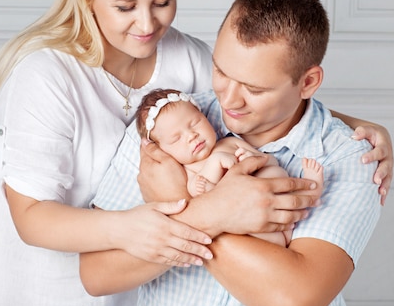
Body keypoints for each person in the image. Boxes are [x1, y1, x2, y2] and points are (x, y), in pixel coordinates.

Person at [0, 0, 392, 306]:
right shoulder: (46, 76)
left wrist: (356, 129)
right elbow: (33, 221)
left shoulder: (187, 61)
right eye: (124, 7)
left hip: (142, 265)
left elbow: (265, 104)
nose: (147, 24)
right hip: (27, 276)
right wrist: (202, 211)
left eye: (163, 2)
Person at [80, 0, 385, 306]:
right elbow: (97, 272)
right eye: (221, 71)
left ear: (308, 82)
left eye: (254, 89)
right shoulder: (168, 127)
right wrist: (215, 212)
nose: (229, 99)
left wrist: (181, 205)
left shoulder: (350, 156)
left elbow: (295, 299)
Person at [136, 88, 324, 246]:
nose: (191, 136)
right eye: (176, 138)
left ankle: (312, 191)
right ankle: (283, 235)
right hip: (256, 223)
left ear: (204, 116)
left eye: (195, 123)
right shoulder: (188, 171)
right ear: (163, 150)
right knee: (271, 238)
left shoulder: (230, 142)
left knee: (285, 183)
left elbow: (270, 160)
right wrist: (214, 165)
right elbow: (198, 197)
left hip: (279, 197)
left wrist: (252, 157)